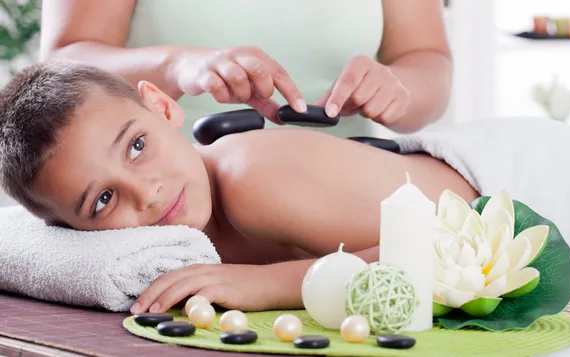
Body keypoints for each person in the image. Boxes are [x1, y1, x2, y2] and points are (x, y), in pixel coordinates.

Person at [0, 61, 475, 314]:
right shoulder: (166, 249)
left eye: (137, 146)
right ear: (69, 232)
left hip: (506, 188)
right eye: (103, 200)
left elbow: (448, 248)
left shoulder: (252, 179)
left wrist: (268, 284)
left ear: (163, 107)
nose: (146, 194)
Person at [38, 0, 453, 141]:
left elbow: (427, 59)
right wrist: (177, 65)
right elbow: (63, 63)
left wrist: (398, 90)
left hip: (342, 220)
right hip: (164, 216)